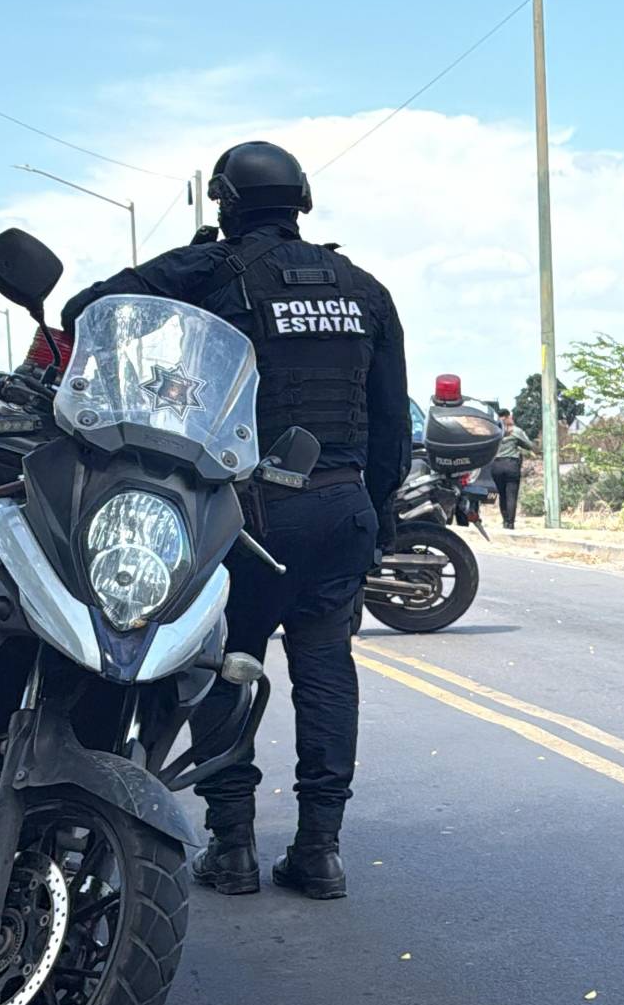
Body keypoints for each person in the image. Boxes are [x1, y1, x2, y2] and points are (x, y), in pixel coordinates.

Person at [59, 141, 410, 900]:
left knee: (224, 665)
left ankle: (234, 847)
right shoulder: (365, 288)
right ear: (302, 200)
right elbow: (390, 425)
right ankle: (320, 850)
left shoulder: (212, 271)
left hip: (249, 512)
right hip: (340, 505)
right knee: (325, 670)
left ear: (224, 202)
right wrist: (374, 518)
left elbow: (85, 311)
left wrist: (186, 272)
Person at [489, 409, 537, 528]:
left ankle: (505, 520)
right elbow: (529, 445)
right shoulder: (515, 431)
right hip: (511, 465)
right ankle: (510, 523)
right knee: (511, 495)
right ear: (508, 416)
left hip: (496, 465)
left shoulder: (492, 430)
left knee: (502, 495)